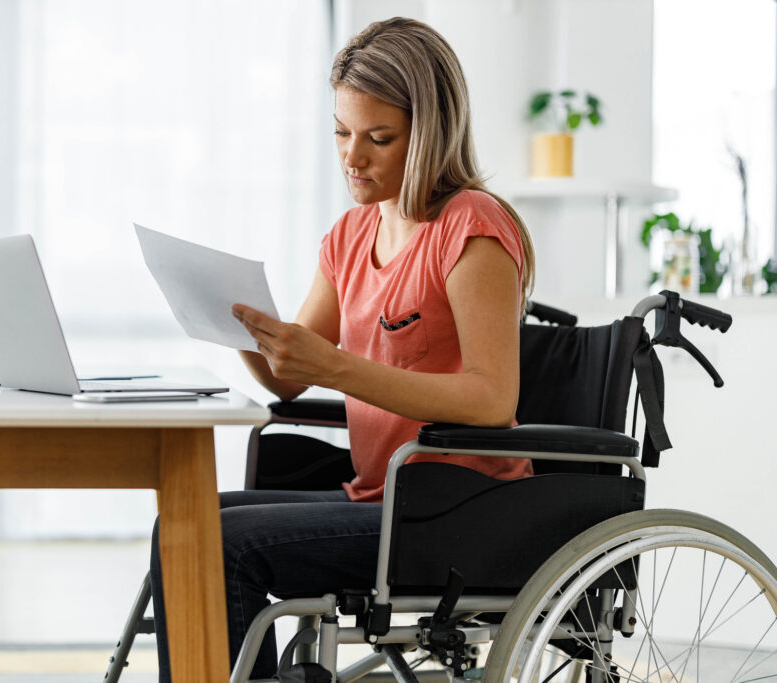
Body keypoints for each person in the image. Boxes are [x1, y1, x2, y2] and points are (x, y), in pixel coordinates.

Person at [149, 16, 536, 681]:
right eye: (341, 133)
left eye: (378, 138)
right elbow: (289, 380)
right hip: (377, 498)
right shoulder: (351, 235)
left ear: (428, 135)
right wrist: (237, 322)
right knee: (184, 524)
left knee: (224, 544)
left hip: (454, 511)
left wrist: (334, 364)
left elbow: (492, 398)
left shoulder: (472, 227)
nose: (352, 157)